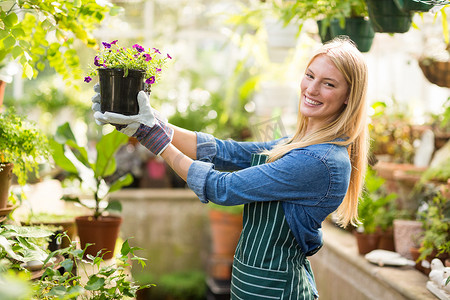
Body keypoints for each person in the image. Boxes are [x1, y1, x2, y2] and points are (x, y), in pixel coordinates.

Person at [92, 36, 369, 300]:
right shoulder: (297, 144)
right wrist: (153, 123)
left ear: (349, 96)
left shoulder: (319, 161)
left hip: (277, 289)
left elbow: (222, 188)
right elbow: (228, 152)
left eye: (329, 84)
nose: (311, 89)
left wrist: (155, 141)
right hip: (254, 285)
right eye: (310, 75)